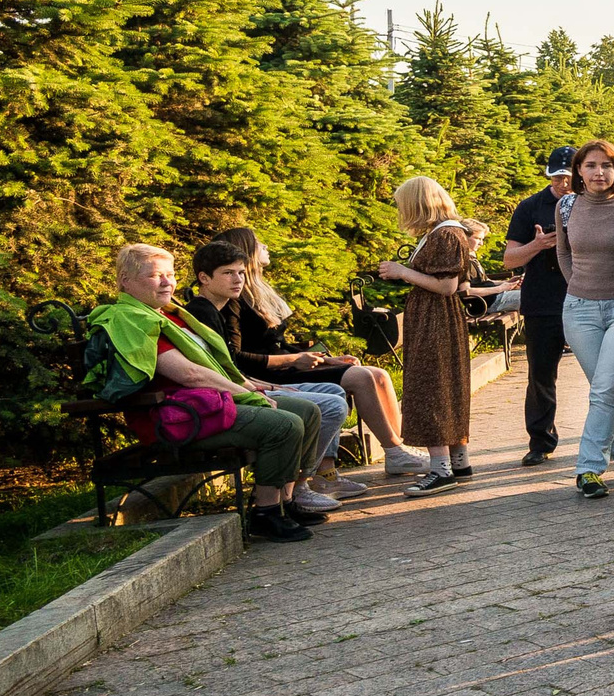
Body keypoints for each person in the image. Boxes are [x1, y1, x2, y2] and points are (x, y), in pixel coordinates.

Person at [86, 244, 325, 542]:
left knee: (307, 411)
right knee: (284, 424)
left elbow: (214, 364)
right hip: (178, 418)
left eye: (170, 275)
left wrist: (251, 387)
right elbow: (189, 374)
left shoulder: (168, 314)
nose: (166, 282)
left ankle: (285, 502)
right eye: (154, 276)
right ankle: (266, 514)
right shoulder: (132, 321)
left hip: (206, 405)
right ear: (125, 280)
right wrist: (248, 394)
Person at [204, 224, 411, 488]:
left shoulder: (259, 291)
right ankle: (385, 454)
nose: (266, 246)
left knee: (378, 374)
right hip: (270, 372)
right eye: (259, 243)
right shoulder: (235, 299)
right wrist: (294, 360)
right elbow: (241, 356)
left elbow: (278, 343)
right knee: (359, 378)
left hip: (283, 365)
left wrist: (326, 359)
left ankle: (398, 449)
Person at [183, 242, 349, 514]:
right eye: (228, 273)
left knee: (333, 394)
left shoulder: (224, 305)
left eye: (241, 272)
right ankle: (298, 488)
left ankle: (300, 487)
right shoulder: (202, 312)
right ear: (204, 278)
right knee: (330, 405)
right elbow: (225, 367)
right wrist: (263, 386)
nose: (238, 279)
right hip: (231, 394)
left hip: (250, 383)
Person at [556, 139, 614, 498]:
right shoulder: (566, 206)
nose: (599, 173)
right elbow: (564, 253)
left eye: (606, 166)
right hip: (579, 310)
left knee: (606, 387)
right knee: (605, 388)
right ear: (578, 170)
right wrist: (578, 287)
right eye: (591, 165)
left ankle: (589, 467)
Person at [380, 176, 480, 497]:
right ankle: (459, 461)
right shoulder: (445, 232)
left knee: (432, 386)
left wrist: (401, 271)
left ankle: (441, 470)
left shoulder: (446, 234)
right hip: (436, 319)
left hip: (435, 321)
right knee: (447, 383)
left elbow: (447, 286)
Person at [505, 147, 575, 466]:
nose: (564, 182)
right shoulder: (531, 207)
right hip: (543, 301)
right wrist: (536, 246)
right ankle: (540, 440)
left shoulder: (593, 205)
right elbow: (509, 259)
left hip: (585, 297)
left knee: (604, 374)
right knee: (541, 374)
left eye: (569, 176)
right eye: (557, 177)